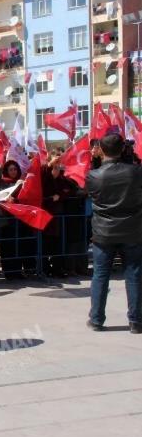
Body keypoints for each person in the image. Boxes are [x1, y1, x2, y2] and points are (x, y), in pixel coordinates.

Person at [85, 133, 142, 333]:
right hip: (132, 230)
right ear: (123, 149)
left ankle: (96, 319)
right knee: (134, 275)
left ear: (101, 149)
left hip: (104, 232)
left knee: (100, 276)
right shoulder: (136, 172)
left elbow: (91, 193)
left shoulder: (94, 175)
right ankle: (136, 321)